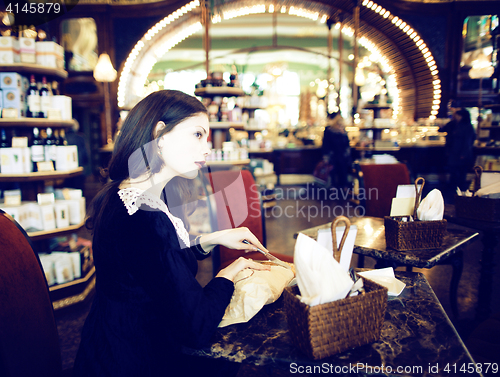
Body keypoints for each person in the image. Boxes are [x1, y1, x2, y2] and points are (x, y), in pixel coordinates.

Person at [73, 90, 270, 377]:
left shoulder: (124, 194)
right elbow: (195, 325)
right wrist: (229, 273)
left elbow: (153, 266)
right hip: (140, 358)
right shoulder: (145, 217)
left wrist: (211, 239)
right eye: (198, 135)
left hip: (106, 346)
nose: (207, 149)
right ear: (160, 135)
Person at [438, 107, 476, 198]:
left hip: (461, 153)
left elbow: (468, 142)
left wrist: (463, 154)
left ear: (462, 116)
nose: (456, 117)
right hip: (454, 152)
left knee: (461, 173)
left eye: (457, 115)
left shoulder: (467, 126)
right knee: (453, 172)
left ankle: (459, 192)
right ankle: (453, 190)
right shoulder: (454, 124)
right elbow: (442, 130)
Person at [321, 112, 353, 192]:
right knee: (333, 171)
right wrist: (326, 156)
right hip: (333, 155)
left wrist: (343, 135)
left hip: (342, 155)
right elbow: (326, 143)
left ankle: (343, 186)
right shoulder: (329, 130)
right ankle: (334, 186)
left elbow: (346, 143)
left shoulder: (343, 132)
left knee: (343, 170)